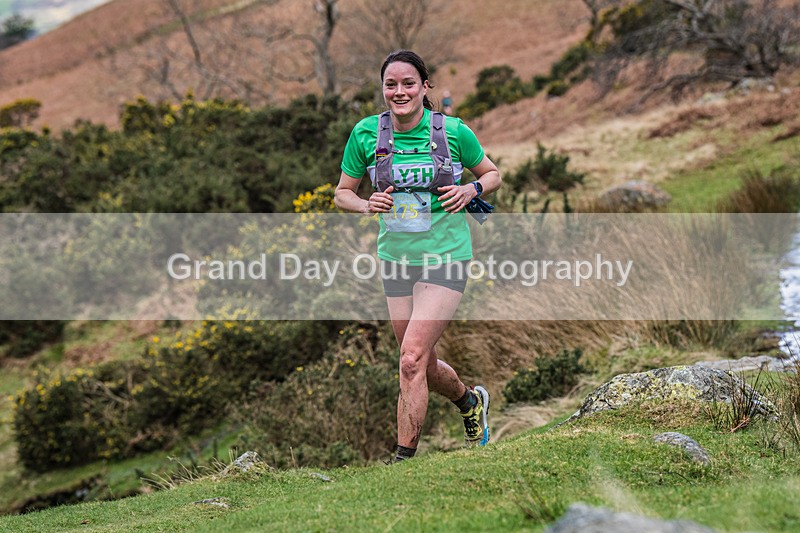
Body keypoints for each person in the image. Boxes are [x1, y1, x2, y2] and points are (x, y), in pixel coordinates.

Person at [334, 50, 502, 462]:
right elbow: (341, 193)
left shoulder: (454, 131)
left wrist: (470, 190)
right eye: (391, 84)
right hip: (396, 259)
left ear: (424, 86)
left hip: (446, 254)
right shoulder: (365, 134)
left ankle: (402, 461)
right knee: (421, 364)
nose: (399, 91)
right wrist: (365, 204)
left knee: (409, 358)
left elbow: (492, 174)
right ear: (383, 89)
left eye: (408, 83)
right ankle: (468, 402)